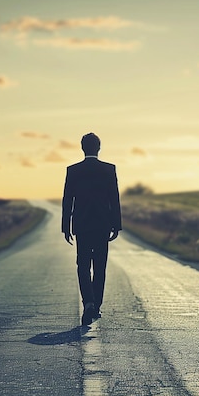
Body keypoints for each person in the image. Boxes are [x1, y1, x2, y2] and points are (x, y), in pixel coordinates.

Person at [61, 133, 122, 326]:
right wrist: (116, 225)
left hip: (82, 225)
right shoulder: (108, 170)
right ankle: (96, 307)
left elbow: (67, 200)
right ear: (99, 147)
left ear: (82, 147)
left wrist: (66, 227)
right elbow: (114, 199)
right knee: (100, 266)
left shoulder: (73, 171)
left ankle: (87, 301)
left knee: (83, 265)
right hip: (103, 225)